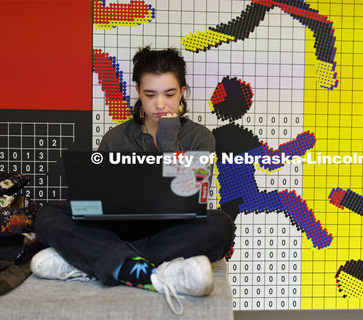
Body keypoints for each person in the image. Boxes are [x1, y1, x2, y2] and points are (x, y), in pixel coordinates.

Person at [31, 46, 235, 315]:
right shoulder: (116, 138)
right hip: (118, 229)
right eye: (150, 94)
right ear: (138, 91)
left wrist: (167, 140)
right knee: (48, 216)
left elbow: (189, 194)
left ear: (182, 92)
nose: (160, 104)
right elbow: (95, 201)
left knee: (220, 225)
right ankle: (148, 271)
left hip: (173, 231)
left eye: (169, 94)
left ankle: (98, 261)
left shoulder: (200, 138)